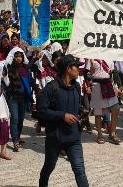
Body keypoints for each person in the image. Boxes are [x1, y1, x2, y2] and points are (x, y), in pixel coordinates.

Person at [38, 55, 89, 187]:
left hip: (73, 137)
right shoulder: (51, 88)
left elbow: (75, 105)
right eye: (76, 67)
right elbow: (42, 111)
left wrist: (82, 110)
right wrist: (62, 116)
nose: (79, 70)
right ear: (68, 69)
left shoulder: (77, 87)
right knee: (49, 167)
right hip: (55, 137)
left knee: (79, 170)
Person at [88, 59, 121, 145]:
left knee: (116, 108)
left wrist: (118, 86)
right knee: (98, 112)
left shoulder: (108, 57)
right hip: (97, 86)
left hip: (109, 85)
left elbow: (113, 72)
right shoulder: (91, 58)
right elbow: (88, 74)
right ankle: (99, 134)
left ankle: (113, 133)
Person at [5, 47, 32, 152]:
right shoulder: (9, 68)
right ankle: (15, 141)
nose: (18, 58)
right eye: (16, 57)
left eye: (20, 56)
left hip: (23, 97)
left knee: (21, 119)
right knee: (15, 118)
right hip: (13, 97)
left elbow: (30, 81)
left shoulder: (26, 68)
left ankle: (18, 137)